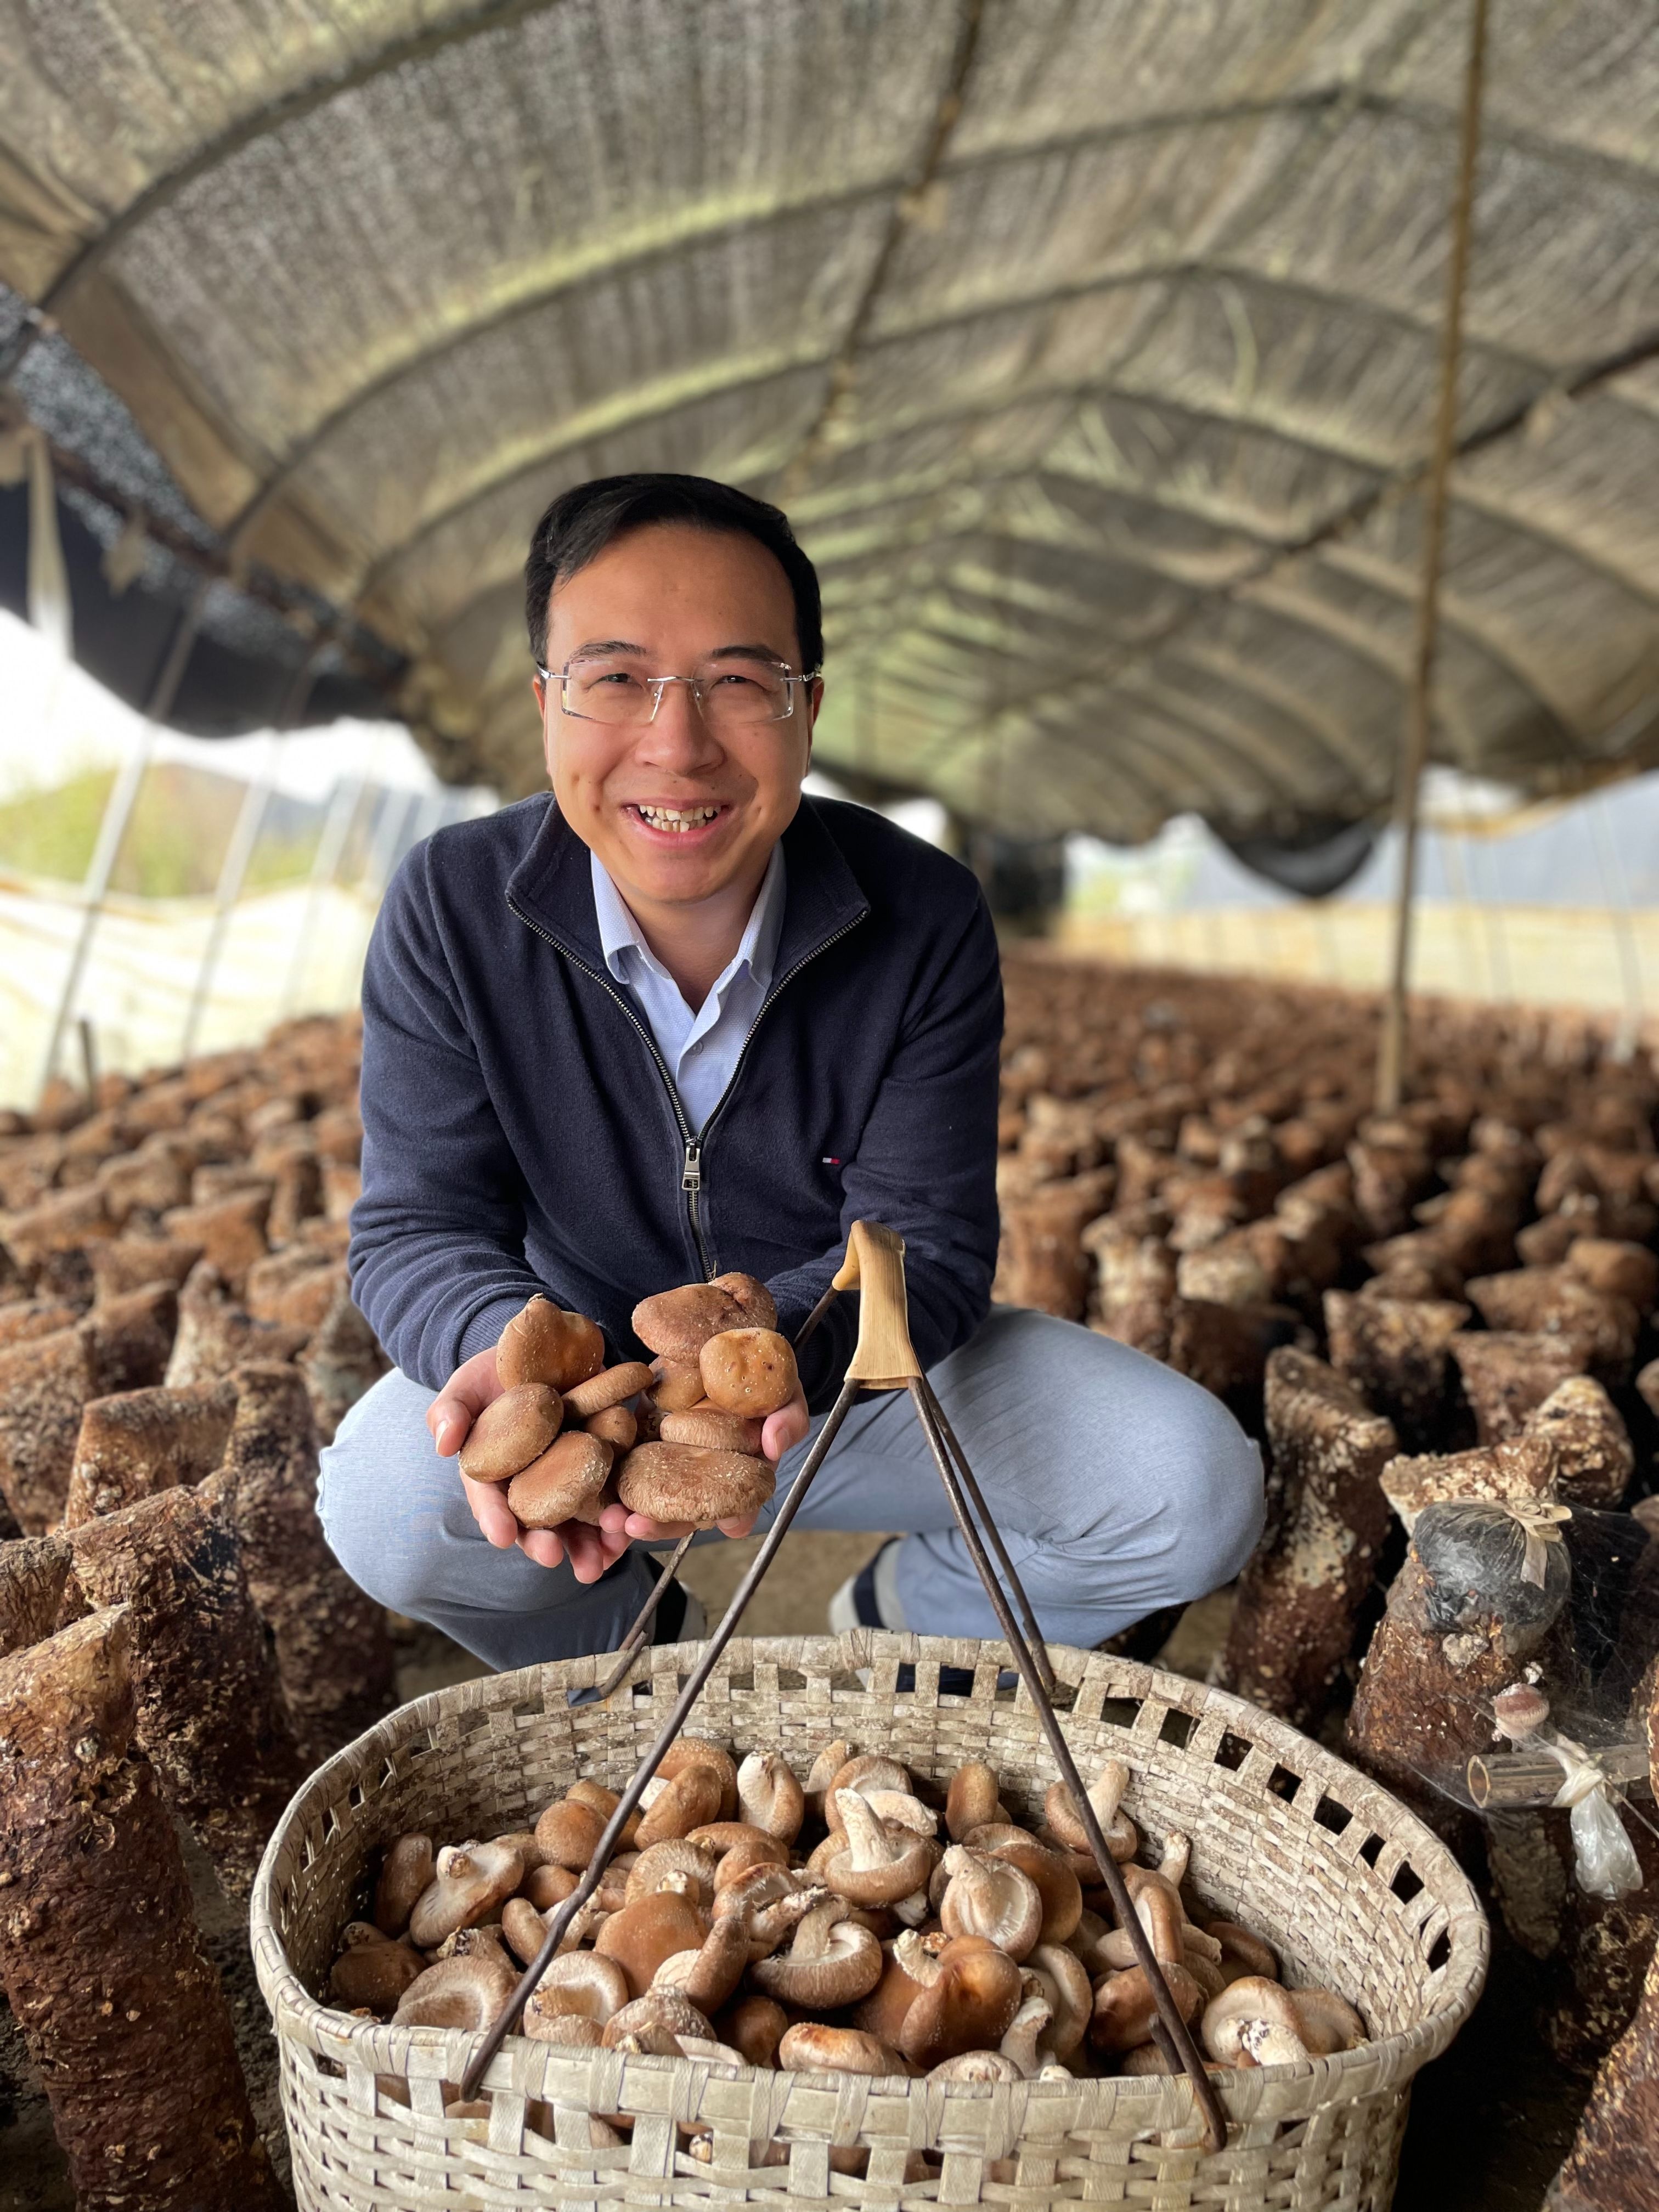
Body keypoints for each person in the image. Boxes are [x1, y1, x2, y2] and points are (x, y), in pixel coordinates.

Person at [320, 472, 1263, 1672]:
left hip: (840, 1379)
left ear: (807, 707)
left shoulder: (922, 913)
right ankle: (636, 1641)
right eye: (616, 679)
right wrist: (510, 1370)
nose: (678, 742)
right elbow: (417, 1222)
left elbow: (921, 1237)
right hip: (581, 1390)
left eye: (738, 680)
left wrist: (780, 1375)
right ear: (547, 704)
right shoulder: (454, 906)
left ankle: (900, 1628)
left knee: (1192, 1490)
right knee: (388, 1511)